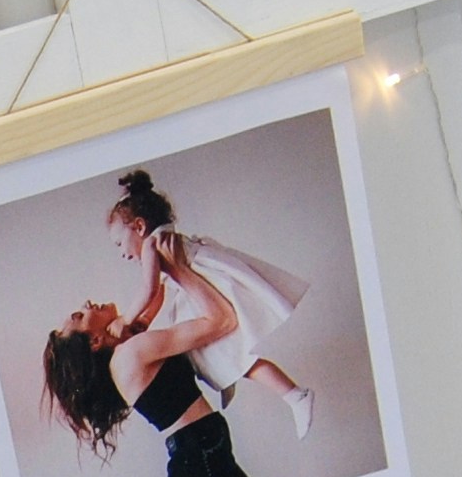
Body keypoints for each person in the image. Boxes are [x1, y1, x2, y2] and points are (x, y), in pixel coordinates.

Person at [40, 260, 268, 477]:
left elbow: (154, 294)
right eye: (79, 317)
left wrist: (158, 257)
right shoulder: (131, 355)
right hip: (200, 463)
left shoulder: (127, 352)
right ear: (94, 341)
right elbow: (222, 320)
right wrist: (179, 268)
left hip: (202, 460)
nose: (87, 304)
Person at [105, 170, 317, 439]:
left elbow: (149, 290)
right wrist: (144, 322)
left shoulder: (151, 246)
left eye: (120, 243)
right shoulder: (163, 237)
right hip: (205, 288)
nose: (123, 253)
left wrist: (126, 319)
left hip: (207, 290)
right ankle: (283, 391)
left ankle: (294, 395)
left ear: (139, 226)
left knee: (233, 358)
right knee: (224, 355)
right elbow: (158, 292)